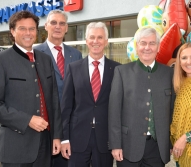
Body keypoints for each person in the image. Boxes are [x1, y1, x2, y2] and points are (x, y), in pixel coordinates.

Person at [0, 11, 62, 167]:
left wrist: (56, 136)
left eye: (32, 29)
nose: (28, 33)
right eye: (22, 28)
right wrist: (27, 120)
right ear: (13, 31)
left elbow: (54, 100)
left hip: (45, 144)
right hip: (16, 149)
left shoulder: (45, 59)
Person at [108, 27, 175, 167]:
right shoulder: (122, 72)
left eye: (152, 43)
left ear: (158, 47)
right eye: (143, 43)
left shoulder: (169, 73)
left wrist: (170, 143)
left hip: (157, 148)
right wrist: (115, 145)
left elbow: (172, 111)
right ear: (137, 46)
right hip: (128, 146)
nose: (147, 47)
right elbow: (114, 112)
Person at [60, 22, 120, 167]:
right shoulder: (73, 68)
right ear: (86, 41)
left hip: (105, 138)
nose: (96, 41)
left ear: (106, 41)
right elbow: (66, 107)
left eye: (100, 37)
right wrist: (64, 139)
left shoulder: (118, 69)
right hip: (77, 138)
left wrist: (118, 141)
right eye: (92, 37)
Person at [34, 10, 82, 167]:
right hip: (44, 127)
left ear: (67, 28)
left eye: (62, 23)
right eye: (53, 23)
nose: (57, 27)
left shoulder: (76, 55)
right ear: (46, 26)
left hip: (70, 127)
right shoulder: (34, 54)